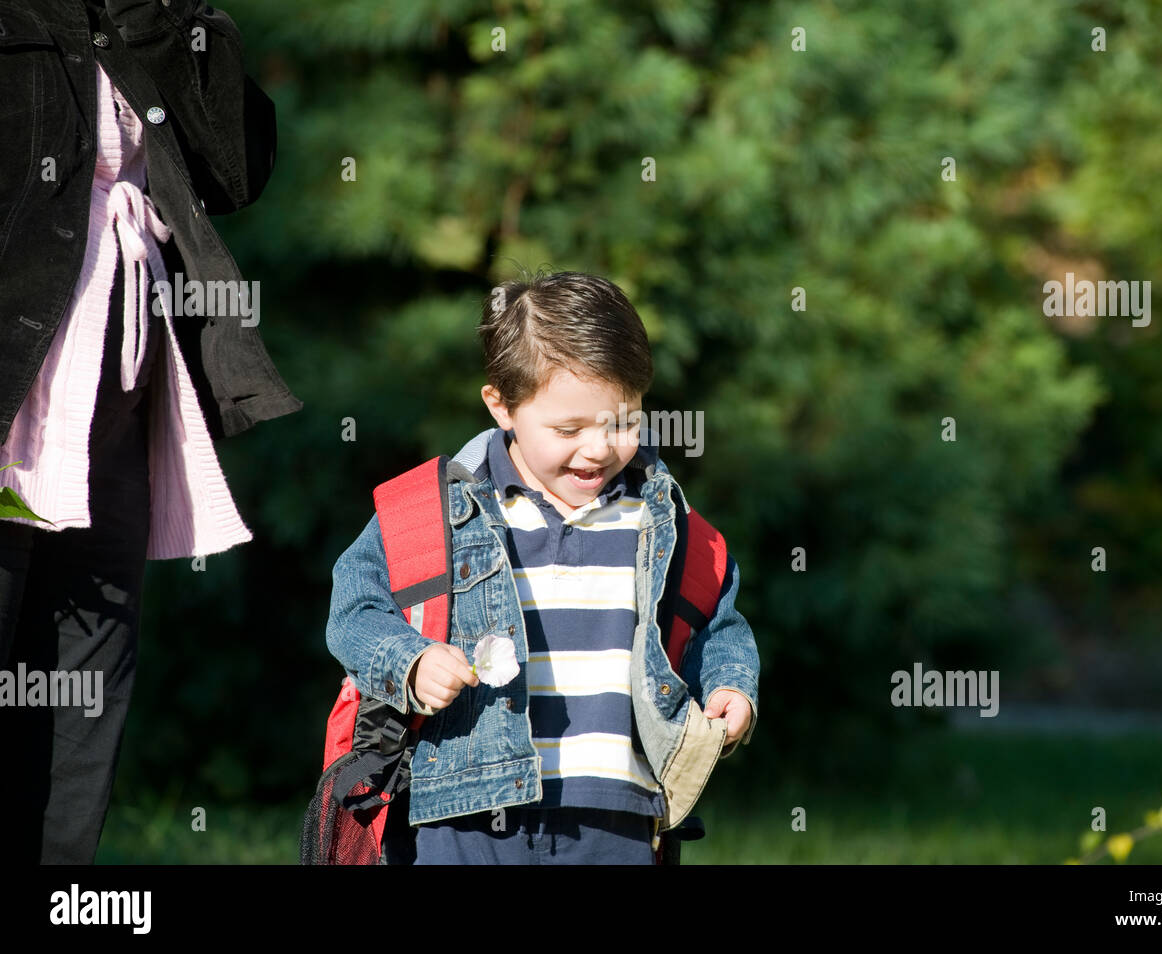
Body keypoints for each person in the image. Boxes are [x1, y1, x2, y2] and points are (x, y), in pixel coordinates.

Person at [0, 0, 301, 863]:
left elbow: (236, 168)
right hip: (13, 401)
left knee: (83, 694)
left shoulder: (147, 12)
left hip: (114, 403)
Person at [326, 271, 759, 864]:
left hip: (618, 810)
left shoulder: (662, 521)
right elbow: (354, 606)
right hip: (466, 812)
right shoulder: (434, 512)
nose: (599, 449)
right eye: (568, 429)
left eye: (623, 422)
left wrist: (732, 685)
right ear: (501, 406)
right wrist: (411, 661)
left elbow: (715, 623)